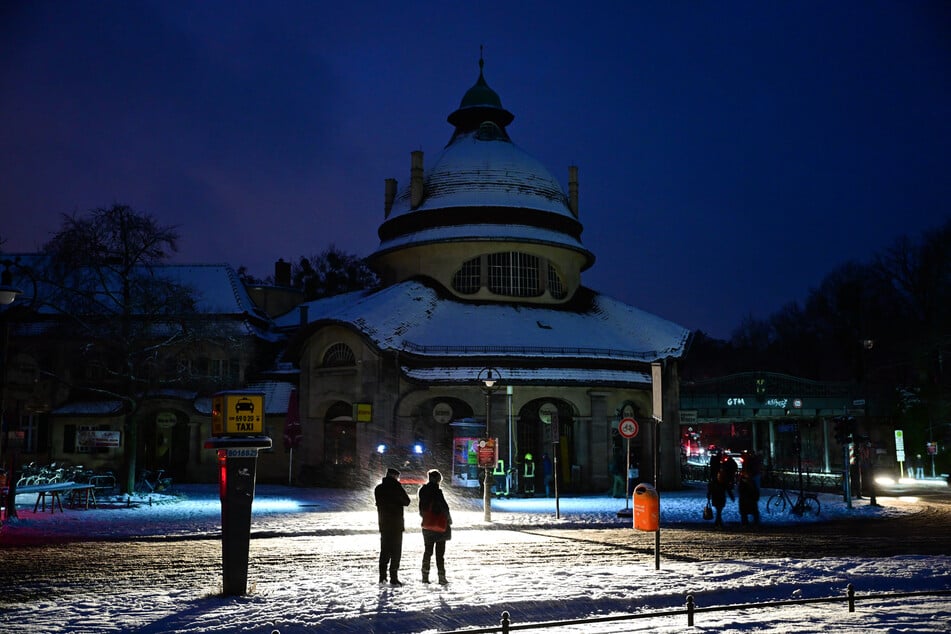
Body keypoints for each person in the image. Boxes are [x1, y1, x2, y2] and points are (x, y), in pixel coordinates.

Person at [374, 467, 410, 586]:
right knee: (396, 552)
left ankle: (382, 577)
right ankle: (393, 577)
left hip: (384, 524)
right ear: (395, 476)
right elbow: (407, 501)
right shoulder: (396, 487)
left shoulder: (378, 488)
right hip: (396, 524)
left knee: (384, 551)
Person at [418, 469, 451, 585]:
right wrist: (449, 520)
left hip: (427, 525)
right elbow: (444, 509)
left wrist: (426, 517)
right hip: (439, 526)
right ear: (438, 480)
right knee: (439, 554)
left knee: (427, 552)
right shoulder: (437, 492)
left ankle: (425, 576)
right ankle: (441, 577)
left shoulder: (422, 490)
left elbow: (421, 509)